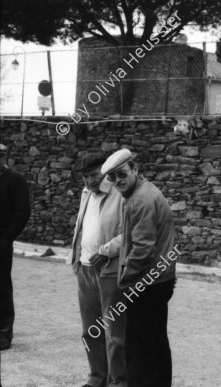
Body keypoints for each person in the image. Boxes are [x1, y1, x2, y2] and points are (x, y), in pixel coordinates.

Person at [101, 148, 177, 387]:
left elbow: (143, 250)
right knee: (155, 342)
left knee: (138, 349)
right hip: (159, 279)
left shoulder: (140, 199)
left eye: (122, 174)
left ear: (135, 169)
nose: (117, 181)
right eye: (112, 177)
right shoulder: (144, 192)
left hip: (147, 283)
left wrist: (124, 280)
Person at [69, 153, 127, 387]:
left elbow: (130, 234)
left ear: (104, 171)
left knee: (114, 332)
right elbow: (81, 227)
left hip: (109, 271)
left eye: (94, 175)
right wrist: (74, 256)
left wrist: (106, 250)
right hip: (84, 269)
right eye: (85, 177)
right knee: (89, 331)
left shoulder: (120, 194)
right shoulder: (86, 194)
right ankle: (96, 377)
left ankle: (118, 381)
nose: (90, 181)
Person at [0, 143, 31, 351]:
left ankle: (3, 333)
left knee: (1, 288)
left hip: (1, 243)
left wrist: (6, 239)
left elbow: (22, 212)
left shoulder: (14, 180)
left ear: (3, 157)